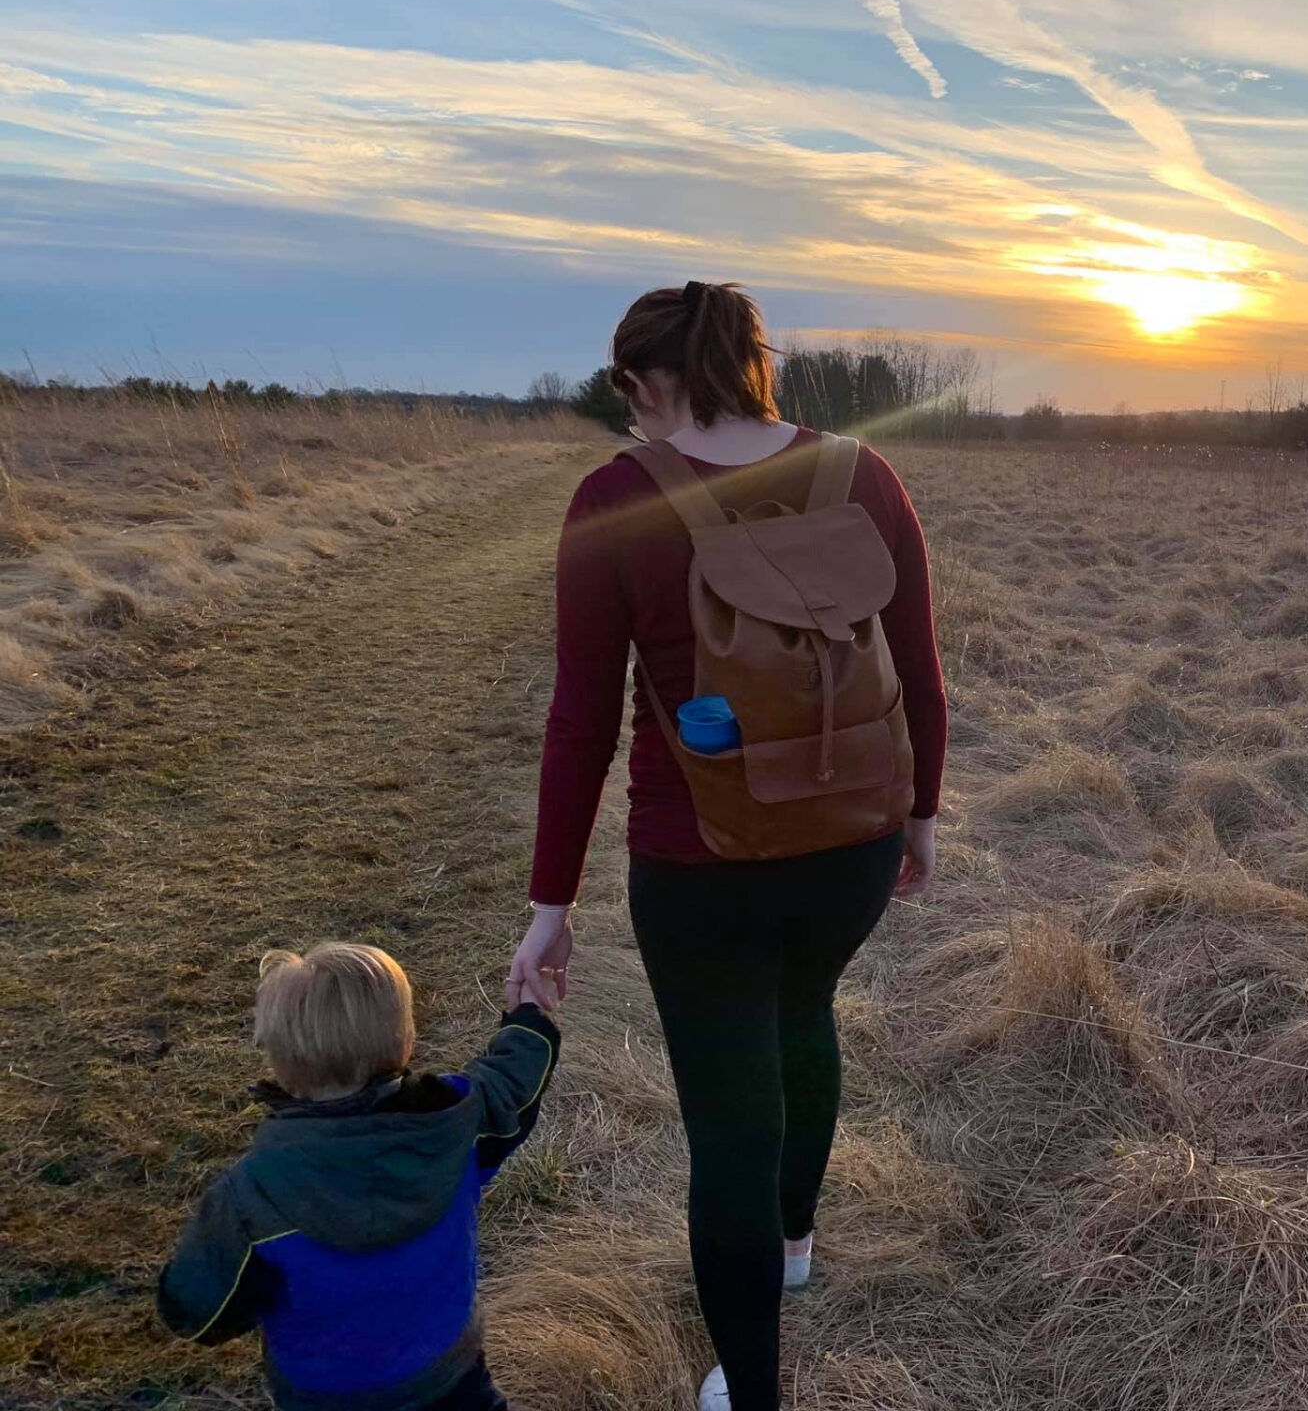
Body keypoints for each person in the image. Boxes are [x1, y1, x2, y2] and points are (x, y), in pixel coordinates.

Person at [509, 280, 947, 1411]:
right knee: (803, 1016)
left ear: (653, 378)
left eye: (628, 390)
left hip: (699, 863)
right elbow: (921, 670)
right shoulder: (863, 475)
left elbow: (580, 721)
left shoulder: (617, 498)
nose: (631, 413)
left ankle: (751, 1391)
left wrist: (549, 906)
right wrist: (922, 816)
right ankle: (795, 1244)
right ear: (755, 363)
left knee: (727, 1126)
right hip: (850, 839)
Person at [156, 943, 561, 1411]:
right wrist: (529, 1014)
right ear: (404, 1035)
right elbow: (514, 1079)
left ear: (279, 1059)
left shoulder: (248, 1199)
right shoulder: (457, 1123)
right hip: (456, 1382)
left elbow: (194, 1313)